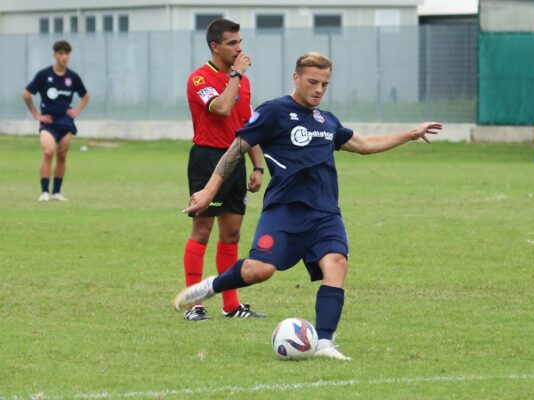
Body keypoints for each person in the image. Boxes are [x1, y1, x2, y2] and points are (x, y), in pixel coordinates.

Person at [173, 52, 443, 359]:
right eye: (313, 82)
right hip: (284, 211)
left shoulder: (326, 120)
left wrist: (410, 134)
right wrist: (208, 192)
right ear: (296, 78)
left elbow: (365, 145)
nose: (318, 89)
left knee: (336, 264)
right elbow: (235, 150)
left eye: (325, 84)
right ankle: (211, 286)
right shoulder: (274, 111)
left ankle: (325, 342)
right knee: (260, 270)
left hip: (325, 213)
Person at [182, 18, 265, 321]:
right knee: (202, 232)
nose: (239, 48)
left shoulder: (241, 82)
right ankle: (194, 304)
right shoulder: (200, 79)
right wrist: (237, 75)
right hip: (207, 160)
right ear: (215, 46)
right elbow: (221, 108)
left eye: (240, 42)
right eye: (232, 43)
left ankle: (231, 305)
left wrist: (258, 166)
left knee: (231, 235)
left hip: (237, 160)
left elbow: (248, 125)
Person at [22, 40, 89, 202]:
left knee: (62, 155)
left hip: (66, 122)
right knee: (48, 152)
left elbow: (85, 96)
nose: (64, 57)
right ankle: (44, 191)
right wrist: (36, 114)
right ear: (55, 55)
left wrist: (77, 111)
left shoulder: (72, 77)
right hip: (48, 122)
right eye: (61, 53)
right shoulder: (44, 75)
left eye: (67, 53)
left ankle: (57, 192)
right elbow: (26, 94)